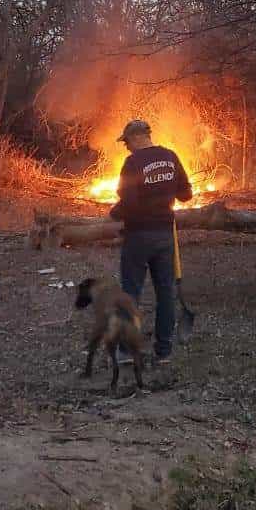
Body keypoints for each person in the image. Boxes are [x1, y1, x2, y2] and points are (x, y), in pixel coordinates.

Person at [108, 119, 193, 366]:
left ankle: (126, 350)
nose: (126, 148)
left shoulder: (133, 162)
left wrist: (114, 215)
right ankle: (164, 350)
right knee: (165, 293)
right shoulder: (171, 156)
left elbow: (128, 202)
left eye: (126, 143)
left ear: (135, 138)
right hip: (165, 236)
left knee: (131, 292)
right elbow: (186, 194)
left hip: (138, 236)